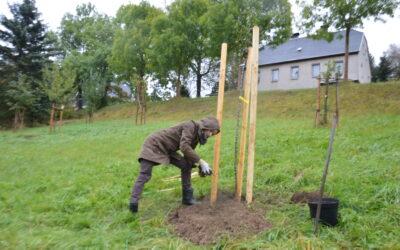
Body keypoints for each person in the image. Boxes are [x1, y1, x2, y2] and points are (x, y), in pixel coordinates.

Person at [129, 116, 220, 213]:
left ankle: (187, 199)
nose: (210, 135)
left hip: (168, 150)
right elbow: (184, 147)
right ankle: (133, 204)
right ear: (205, 128)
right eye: (211, 132)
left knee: (186, 166)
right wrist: (201, 161)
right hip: (154, 145)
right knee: (145, 174)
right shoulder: (190, 126)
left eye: (213, 134)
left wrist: (200, 167)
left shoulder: (197, 136)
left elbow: (188, 154)